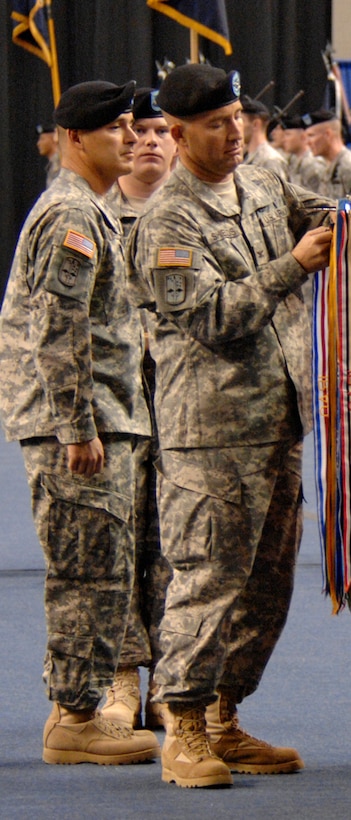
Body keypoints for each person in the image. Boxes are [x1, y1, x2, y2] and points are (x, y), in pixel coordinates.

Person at [126, 63, 334, 788]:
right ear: (178, 135)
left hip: (278, 422)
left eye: (238, 116)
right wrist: (291, 267)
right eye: (216, 123)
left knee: (268, 587)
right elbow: (210, 316)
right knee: (208, 579)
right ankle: (180, 726)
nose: (235, 132)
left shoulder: (262, 183)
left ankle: (223, 715)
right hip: (209, 434)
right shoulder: (168, 220)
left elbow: (325, 213)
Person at [0, 80, 159, 765]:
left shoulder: (84, 210)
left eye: (131, 125)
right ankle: (74, 716)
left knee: (102, 569)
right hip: (81, 427)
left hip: (100, 419)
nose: (129, 138)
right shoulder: (70, 215)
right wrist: (76, 427)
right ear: (73, 138)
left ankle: (82, 707)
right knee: (87, 572)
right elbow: (59, 328)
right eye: (116, 127)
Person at [101, 86, 177, 732]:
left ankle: (171, 683)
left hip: (190, 408)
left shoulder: (198, 216)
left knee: (181, 545)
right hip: (115, 408)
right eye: (139, 131)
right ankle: (123, 673)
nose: (149, 141)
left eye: (161, 131)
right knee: (119, 539)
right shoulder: (87, 215)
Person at [305, 108, 351, 199]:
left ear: (328, 134)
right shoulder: (328, 167)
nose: (307, 142)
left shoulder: (350, 167)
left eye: (311, 135)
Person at [241, 95, 289, 182]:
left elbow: (276, 194)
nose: (237, 127)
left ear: (256, 124)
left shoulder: (270, 160)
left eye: (242, 121)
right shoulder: (246, 157)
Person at [36, 122, 61, 186]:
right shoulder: (52, 165)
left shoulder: (60, 164)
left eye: (42, 139)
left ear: (53, 139)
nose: (38, 144)